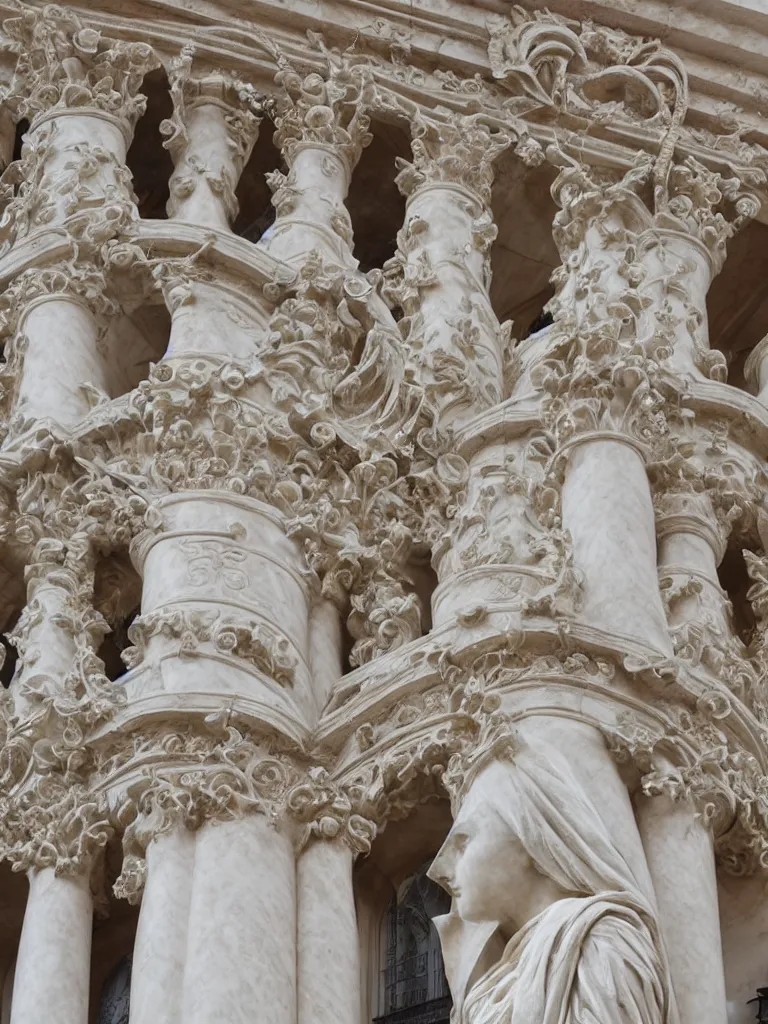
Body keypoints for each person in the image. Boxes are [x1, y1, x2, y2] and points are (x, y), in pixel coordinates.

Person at [427, 740, 678, 1024]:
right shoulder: (490, 988)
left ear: (531, 838)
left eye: (463, 842)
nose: (439, 871)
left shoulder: (598, 943)